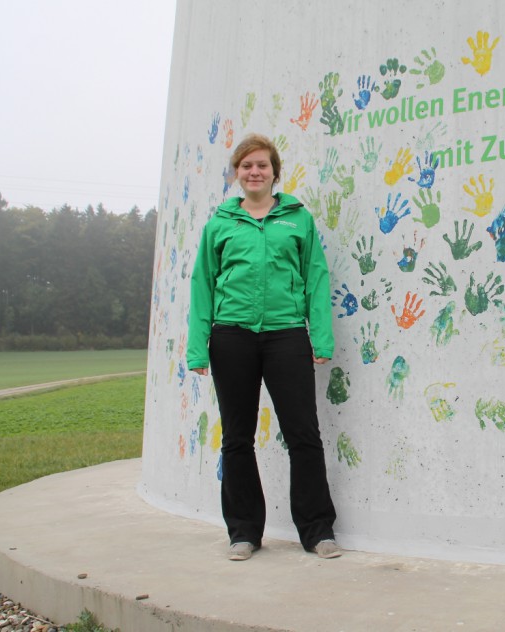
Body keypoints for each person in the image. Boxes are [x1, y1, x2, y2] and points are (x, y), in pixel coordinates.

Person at [187, 133, 341, 561]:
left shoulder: (297, 219)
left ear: (275, 172)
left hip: (286, 335)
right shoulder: (219, 224)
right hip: (231, 337)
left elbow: (316, 277)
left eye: (262, 165)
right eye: (246, 165)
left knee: (303, 434)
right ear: (237, 173)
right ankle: (243, 533)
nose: (255, 172)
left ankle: (317, 530)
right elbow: (203, 284)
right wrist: (198, 348)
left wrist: (321, 337)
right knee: (237, 438)